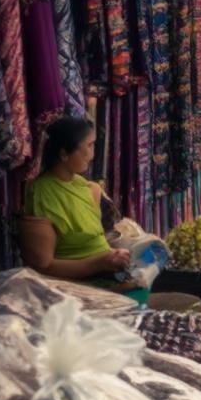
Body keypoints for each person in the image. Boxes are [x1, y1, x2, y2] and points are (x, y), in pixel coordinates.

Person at [19, 116, 131, 283]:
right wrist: (100, 263)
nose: (93, 155)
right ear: (64, 154)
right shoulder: (41, 194)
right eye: (89, 146)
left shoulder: (85, 186)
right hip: (77, 288)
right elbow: (43, 267)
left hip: (108, 276)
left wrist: (114, 257)